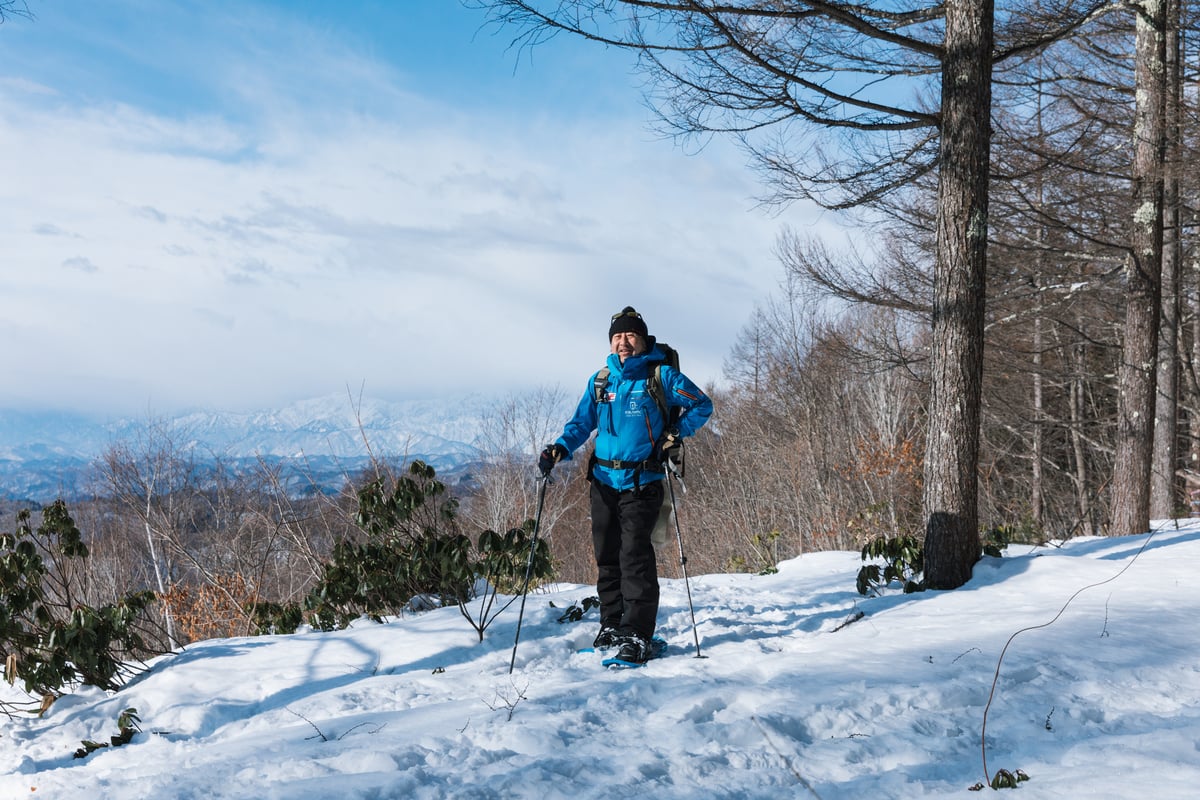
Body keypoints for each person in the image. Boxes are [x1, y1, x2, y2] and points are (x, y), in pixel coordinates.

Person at [539, 306, 713, 664]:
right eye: (617, 336)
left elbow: (702, 405)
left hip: (642, 480)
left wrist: (676, 433)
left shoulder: (661, 376)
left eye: (630, 336)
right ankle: (612, 624)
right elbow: (580, 423)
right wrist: (559, 449)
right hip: (602, 481)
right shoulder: (601, 380)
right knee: (607, 556)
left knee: (635, 557)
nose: (623, 342)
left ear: (643, 339)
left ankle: (636, 633)